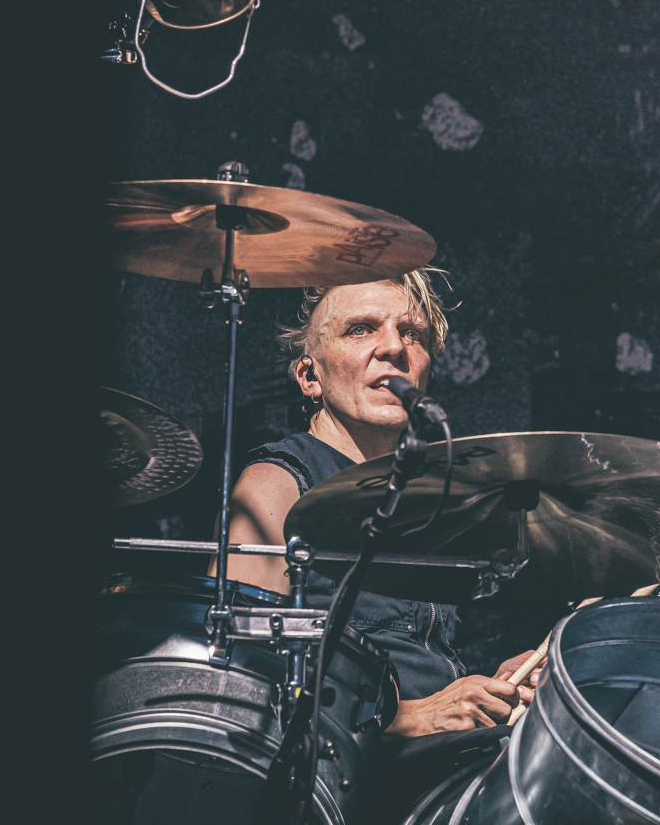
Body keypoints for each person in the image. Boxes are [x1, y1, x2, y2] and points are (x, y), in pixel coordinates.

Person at [211, 268, 537, 737]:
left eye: (412, 334)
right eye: (360, 329)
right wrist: (414, 716)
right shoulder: (276, 483)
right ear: (310, 377)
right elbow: (231, 686)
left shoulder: (426, 495)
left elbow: (426, 668)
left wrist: (496, 688)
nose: (394, 347)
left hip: (447, 761)